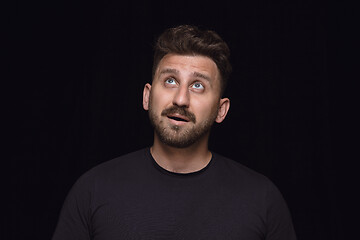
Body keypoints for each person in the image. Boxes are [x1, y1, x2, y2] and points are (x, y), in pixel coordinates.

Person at [52, 25, 296, 240]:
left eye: (198, 86)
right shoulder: (93, 190)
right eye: (170, 80)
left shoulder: (262, 199)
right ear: (147, 96)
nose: (181, 99)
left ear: (221, 110)